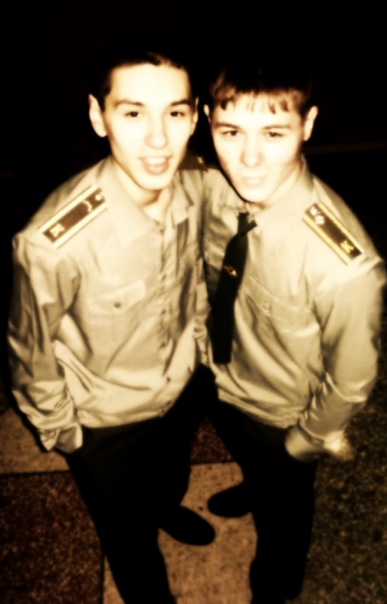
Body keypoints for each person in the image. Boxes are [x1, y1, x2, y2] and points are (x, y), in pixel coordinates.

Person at [7, 32, 214, 604]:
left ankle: (165, 507)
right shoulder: (52, 243)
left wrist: (200, 349)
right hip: (106, 421)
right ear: (99, 117)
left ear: (194, 116)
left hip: (182, 388)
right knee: (127, 537)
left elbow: (194, 280)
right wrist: (65, 434)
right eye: (133, 113)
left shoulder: (195, 184)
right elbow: (28, 353)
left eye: (175, 113)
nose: (158, 139)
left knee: (171, 478)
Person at [201, 37, 387, 604]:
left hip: (281, 415)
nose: (248, 159)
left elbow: (351, 382)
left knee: (284, 519)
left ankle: (276, 588)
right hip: (219, 380)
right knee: (254, 469)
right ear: (208, 122)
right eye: (231, 132)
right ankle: (255, 483)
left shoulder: (344, 267)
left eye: (273, 134)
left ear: (308, 125)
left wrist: (300, 445)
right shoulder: (211, 185)